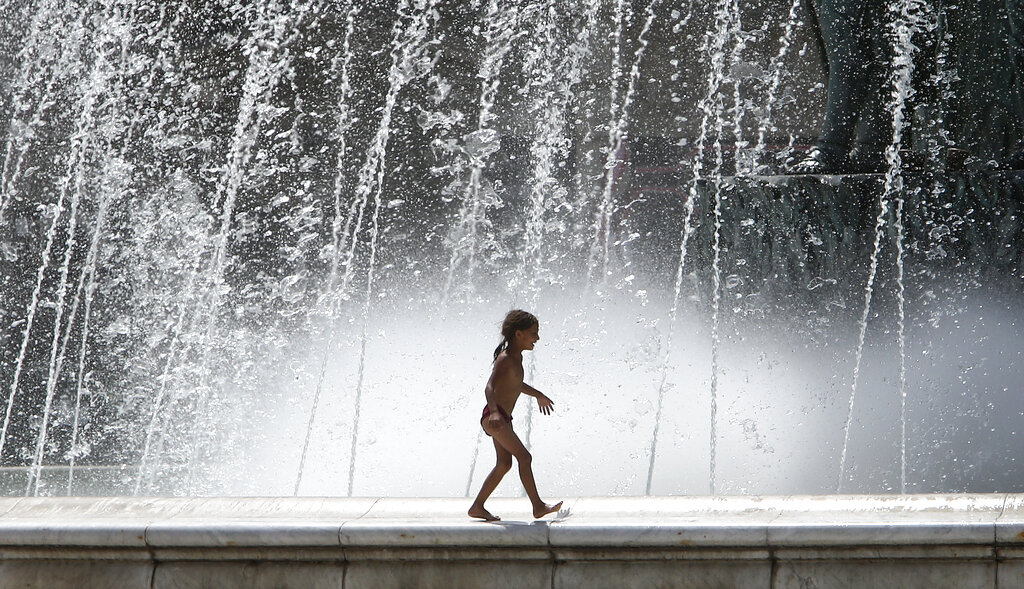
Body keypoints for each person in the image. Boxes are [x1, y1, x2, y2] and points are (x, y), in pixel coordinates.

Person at [468, 310, 563, 522]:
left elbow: (516, 385)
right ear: (518, 334)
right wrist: (493, 412)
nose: (537, 338)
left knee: (504, 464)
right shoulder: (505, 358)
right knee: (525, 457)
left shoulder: (516, 357)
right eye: (533, 333)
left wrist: (538, 394)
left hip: (502, 418)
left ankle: (477, 506)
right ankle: (538, 507)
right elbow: (489, 387)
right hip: (495, 417)